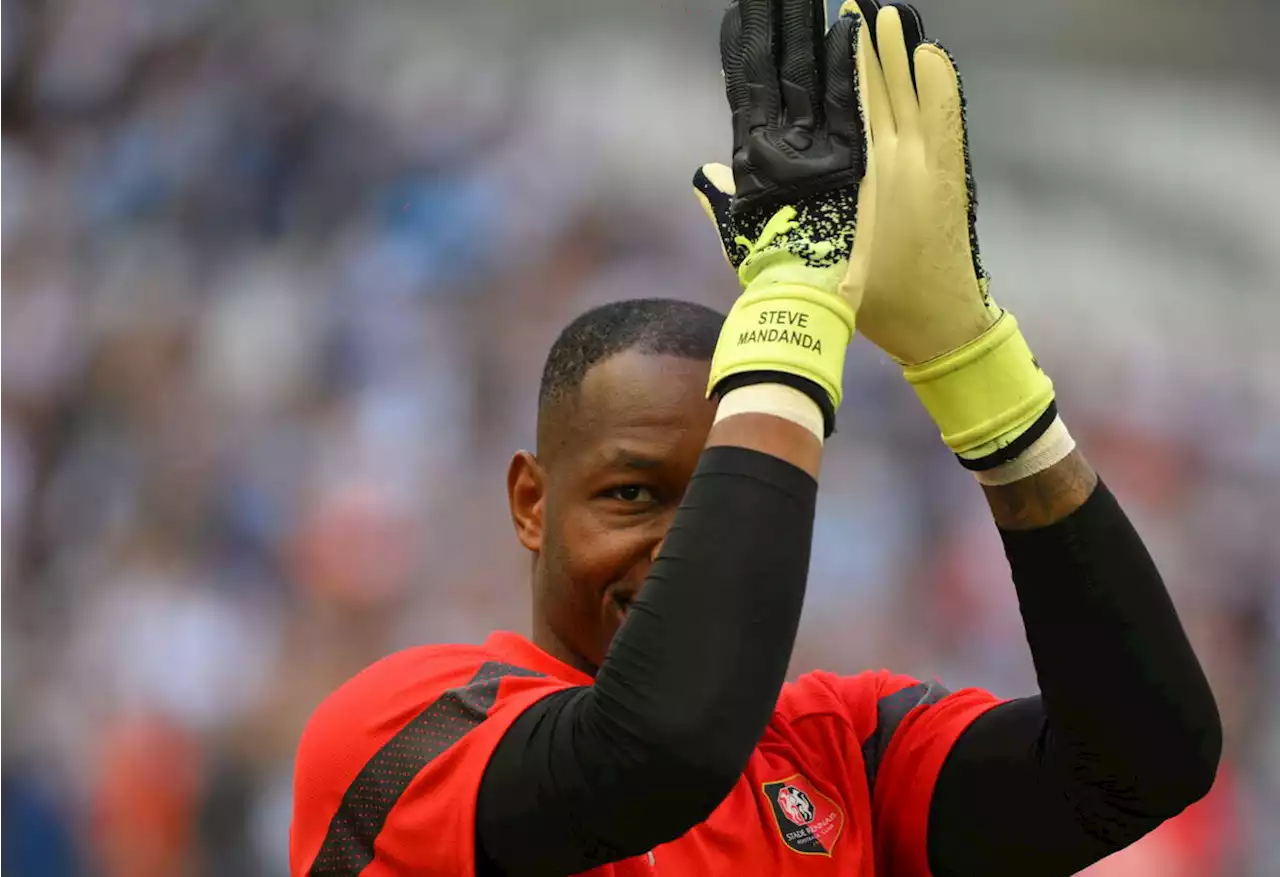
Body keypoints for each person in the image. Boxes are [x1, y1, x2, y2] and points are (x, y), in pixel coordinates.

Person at [289, 1, 1222, 875]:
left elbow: (1143, 762)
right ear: (532, 501)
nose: (688, 545)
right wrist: (789, 317)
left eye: (724, 499)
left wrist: (975, 368)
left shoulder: (842, 754)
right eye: (634, 494)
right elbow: (659, 749)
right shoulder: (399, 731)